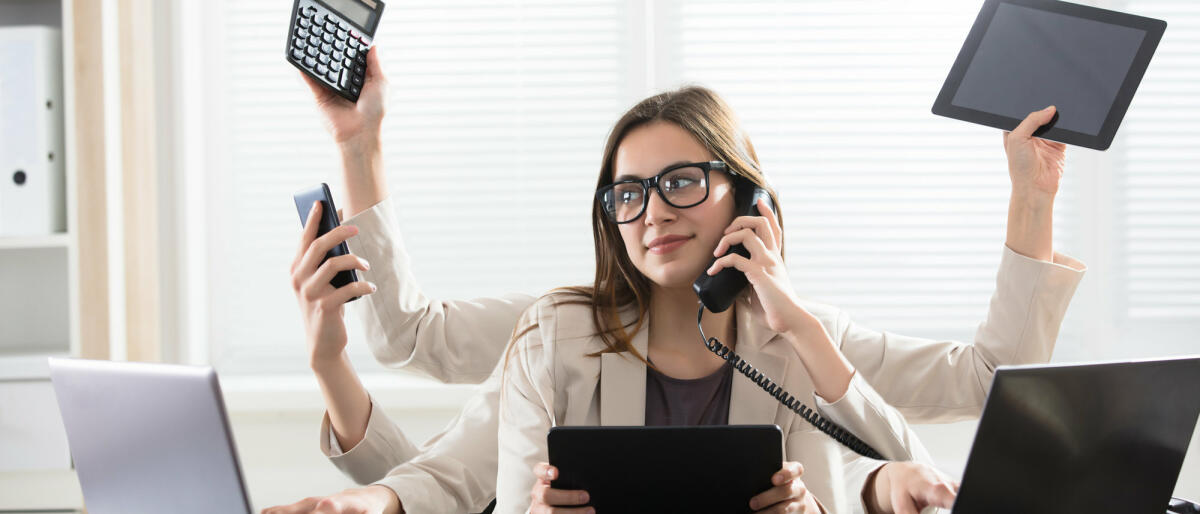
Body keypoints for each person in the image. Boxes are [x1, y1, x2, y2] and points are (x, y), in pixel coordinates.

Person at [264, 47, 1086, 514]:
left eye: (683, 181)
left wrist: (1032, 192)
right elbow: (443, 453)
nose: (652, 212)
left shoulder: (802, 337)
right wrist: (359, 144)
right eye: (629, 193)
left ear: (749, 197)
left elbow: (987, 383)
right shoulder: (556, 332)